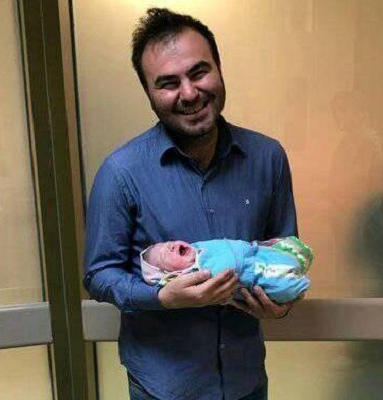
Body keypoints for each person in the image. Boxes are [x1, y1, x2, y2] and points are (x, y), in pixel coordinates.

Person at [83, 8, 299, 400]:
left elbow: (285, 254)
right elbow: (99, 274)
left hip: (246, 381)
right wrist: (162, 298)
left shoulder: (267, 157)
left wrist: (279, 304)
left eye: (199, 73)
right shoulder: (121, 172)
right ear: (149, 94)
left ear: (219, 68)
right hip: (163, 387)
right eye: (168, 83)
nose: (188, 93)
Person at [141, 237, 313, 304]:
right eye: (164, 255)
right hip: (256, 275)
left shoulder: (198, 248)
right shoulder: (198, 275)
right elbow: (229, 268)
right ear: (173, 275)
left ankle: (299, 258)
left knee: (289, 248)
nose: (169, 246)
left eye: (167, 243)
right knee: (282, 286)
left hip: (258, 251)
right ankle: (297, 286)